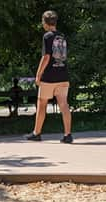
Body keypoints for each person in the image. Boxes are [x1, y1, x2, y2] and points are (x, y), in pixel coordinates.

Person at [25, 10, 73, 144]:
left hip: (49, 76)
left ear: (45, 23)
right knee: (64, 104)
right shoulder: (62, 36)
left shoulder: (47, 36)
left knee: (42, 104)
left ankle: (37, 132)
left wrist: (38, 74)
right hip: (63, 74)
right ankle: (68, 134)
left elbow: (46, 57)